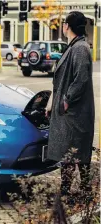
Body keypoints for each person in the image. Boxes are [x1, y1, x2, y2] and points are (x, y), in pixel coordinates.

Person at [45, 11, 95, 203]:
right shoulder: (74, 46)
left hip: (75, 112)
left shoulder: (80, 48)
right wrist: (53, 103)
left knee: (74, 152)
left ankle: (72, 192)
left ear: (69, 26)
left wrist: (65, 101)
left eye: (65, 23)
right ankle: (78, 191)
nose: (63, 26)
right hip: (71, 111)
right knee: (73, 152)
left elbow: (80, 80)